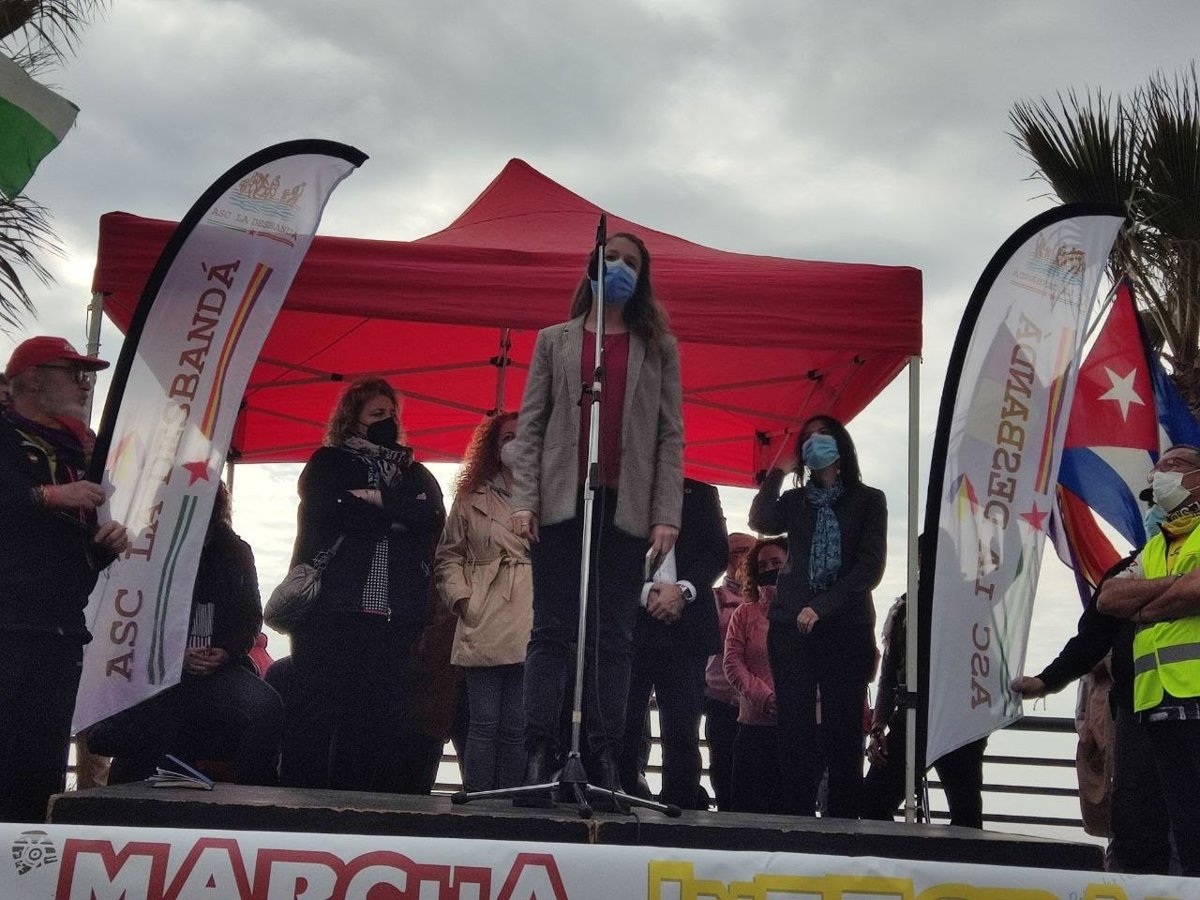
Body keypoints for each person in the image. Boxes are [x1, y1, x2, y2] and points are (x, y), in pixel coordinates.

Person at [507, 232, 684, 800]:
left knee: (614, 636)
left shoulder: (658, 347)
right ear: (593, 266)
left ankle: (607, 754)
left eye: (632, 263)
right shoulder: (553, 340)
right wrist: (525, 500)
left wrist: (666, 512)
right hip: (561, 500)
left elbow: (670, 434)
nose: (621, 268)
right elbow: (531, 425)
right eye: (613, 259)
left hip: (625, 504)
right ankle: (539, 750)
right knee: (550, 629)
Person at [280, 377, 446, 792]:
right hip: (330, 612)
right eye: (376, 413)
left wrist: (372, 500)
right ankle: (298, 805)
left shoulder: (415, 472)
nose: (386, 420)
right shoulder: (327, 463)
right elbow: (329, 508)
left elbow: (432, 516)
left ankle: (353, 806)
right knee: (317, 713)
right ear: (352, 419)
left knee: (371, 718)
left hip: (393, 617)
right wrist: (397, 514)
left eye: (391, 414)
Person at [0, 336, 130, 823]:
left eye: (87, 375)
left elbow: (74, 553)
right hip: (8, 626)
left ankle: (26, 862)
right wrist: (48, 496)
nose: (84, 384)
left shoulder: (80, 452)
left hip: (60, 631)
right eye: (73, 372)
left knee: (41, 772)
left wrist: (101, 546)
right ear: (34, 378)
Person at [89, 483, 283, 786]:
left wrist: (226, 651)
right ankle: (124, 795)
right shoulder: (147, 549)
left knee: (266, 708)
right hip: (154, 672)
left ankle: (247, 797)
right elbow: (128, 619)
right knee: (148, 726)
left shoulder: (234, 551)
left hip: (218, 670)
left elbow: (250, 616)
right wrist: (174, 656)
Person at [749, 414, 886, 818]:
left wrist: (822, 606)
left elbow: (870, 567)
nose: (814, 443)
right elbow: (760, 519)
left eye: (822, 436)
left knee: (843, 728)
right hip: (791, 625)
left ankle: (844, 821)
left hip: (846, 625)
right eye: (807, 439)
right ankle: (796, 817)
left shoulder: (868, 500)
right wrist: (777, 472)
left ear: (840, 445)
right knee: (794, 726)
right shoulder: (796, 502)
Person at [1097, 443, 1200, 876]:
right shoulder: (1155, 546)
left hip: (1196, 700)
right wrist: (1175, 585)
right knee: (1175, 827)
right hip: (1155, 704)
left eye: (1173, 465)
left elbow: (1197, 590)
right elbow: (1109, 597)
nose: (1160, 475)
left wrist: (1143, 609)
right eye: (1157, 468)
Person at [436, 412, 533, 792]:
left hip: (530, 613)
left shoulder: (550, 498)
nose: (516, 444)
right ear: (493, 448)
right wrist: (463, 599)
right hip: (483, 612)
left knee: (516, 725)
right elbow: (448, 556)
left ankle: (508, 805)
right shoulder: (470, 498)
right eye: (507, 437)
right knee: (483, 722)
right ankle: (478, 801)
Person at [618, 478, 727, 809]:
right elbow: (609, 553)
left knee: (683, 728)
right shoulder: (622, 489)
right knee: (624, 724)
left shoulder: (702, 492)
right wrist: (646, 592)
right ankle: (621, 802)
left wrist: (682, 591)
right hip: (629, 627)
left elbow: (717, 552)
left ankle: (681, 808)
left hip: (687, 626)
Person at [863, 588, 987, 828]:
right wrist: (878, 725)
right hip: (913, 719)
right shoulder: (904, 609)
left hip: (958, 723)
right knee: (872, 800)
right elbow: (890, 674)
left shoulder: (970, 603)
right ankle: (901, 852)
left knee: (966, 814)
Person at [723, 537, 787, 813]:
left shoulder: (810, 611)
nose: (769, 569)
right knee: (745, 810)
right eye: (762, 566)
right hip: (752, 728)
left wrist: (794, 700)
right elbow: (732, 662)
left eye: (776, 563)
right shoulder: (744, 614)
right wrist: (764, 697)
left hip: (799, 729)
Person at [703, 531, 756, 811]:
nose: (744, 559)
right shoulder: (712, 598)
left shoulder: (771, 599)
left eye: (750, 552)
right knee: (723, 769)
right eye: (736, 552)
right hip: (721, 700)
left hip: (761, 706)